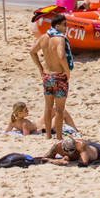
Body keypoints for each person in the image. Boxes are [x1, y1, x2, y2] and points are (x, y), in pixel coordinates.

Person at [29, 12, 74, 140]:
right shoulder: (59, 39)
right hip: (59, 76)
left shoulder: (43, 37)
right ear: (58, 25)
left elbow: (32, 52)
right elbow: (61, 56)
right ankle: (59, 137)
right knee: (60, 109)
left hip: (47, 76)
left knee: (48, 107)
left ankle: (48, 135)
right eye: (64, 25)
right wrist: (67, 71)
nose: (66, 27)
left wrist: (40, 67)